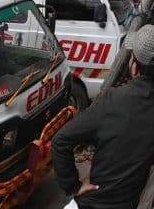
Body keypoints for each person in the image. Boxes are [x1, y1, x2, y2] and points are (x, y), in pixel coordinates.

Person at [53, 24, 154, 209]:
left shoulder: (113, 100)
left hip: (94, 201)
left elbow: (60, 141)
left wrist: (73, 186)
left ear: (134, 64)